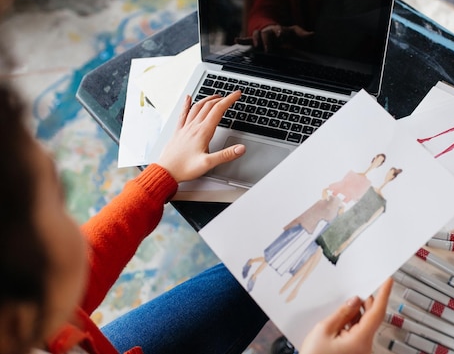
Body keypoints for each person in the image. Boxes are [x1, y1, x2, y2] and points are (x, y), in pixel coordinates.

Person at [0, 82, 392, 354]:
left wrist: (159, 176)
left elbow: (82, 264)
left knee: (255, 274)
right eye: (57, 197)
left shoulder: (22, 305)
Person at [242, 154, 386, 299]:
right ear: (372, 160)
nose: (376, 163)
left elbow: (353, 202)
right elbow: (330, 187)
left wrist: (341, 209)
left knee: (294, 250)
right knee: (285, 242)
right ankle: (254, 274)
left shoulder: (366, 185)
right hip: (320, 208)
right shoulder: (352, 174)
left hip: (332, 215)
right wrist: (326, 194)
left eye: (380, 163)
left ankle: (253, 267)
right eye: (377, 160)